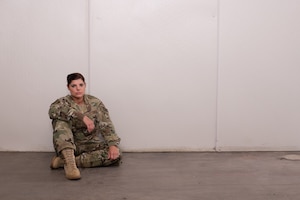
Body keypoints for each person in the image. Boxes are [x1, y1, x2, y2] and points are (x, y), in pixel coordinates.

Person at [48, 72, 121, 180]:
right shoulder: (62, 102)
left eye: (81, 85)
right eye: (74, 86)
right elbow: (52, 111)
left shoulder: (95, 102)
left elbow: (106, 124)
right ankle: (70, 166)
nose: (78, 89)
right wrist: (82, 117)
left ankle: (65, 162)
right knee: (60, 122)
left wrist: (113, 145)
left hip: (90, 144)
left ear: (85, 85)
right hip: (71, 145)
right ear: (68, 87)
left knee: (115, 155)